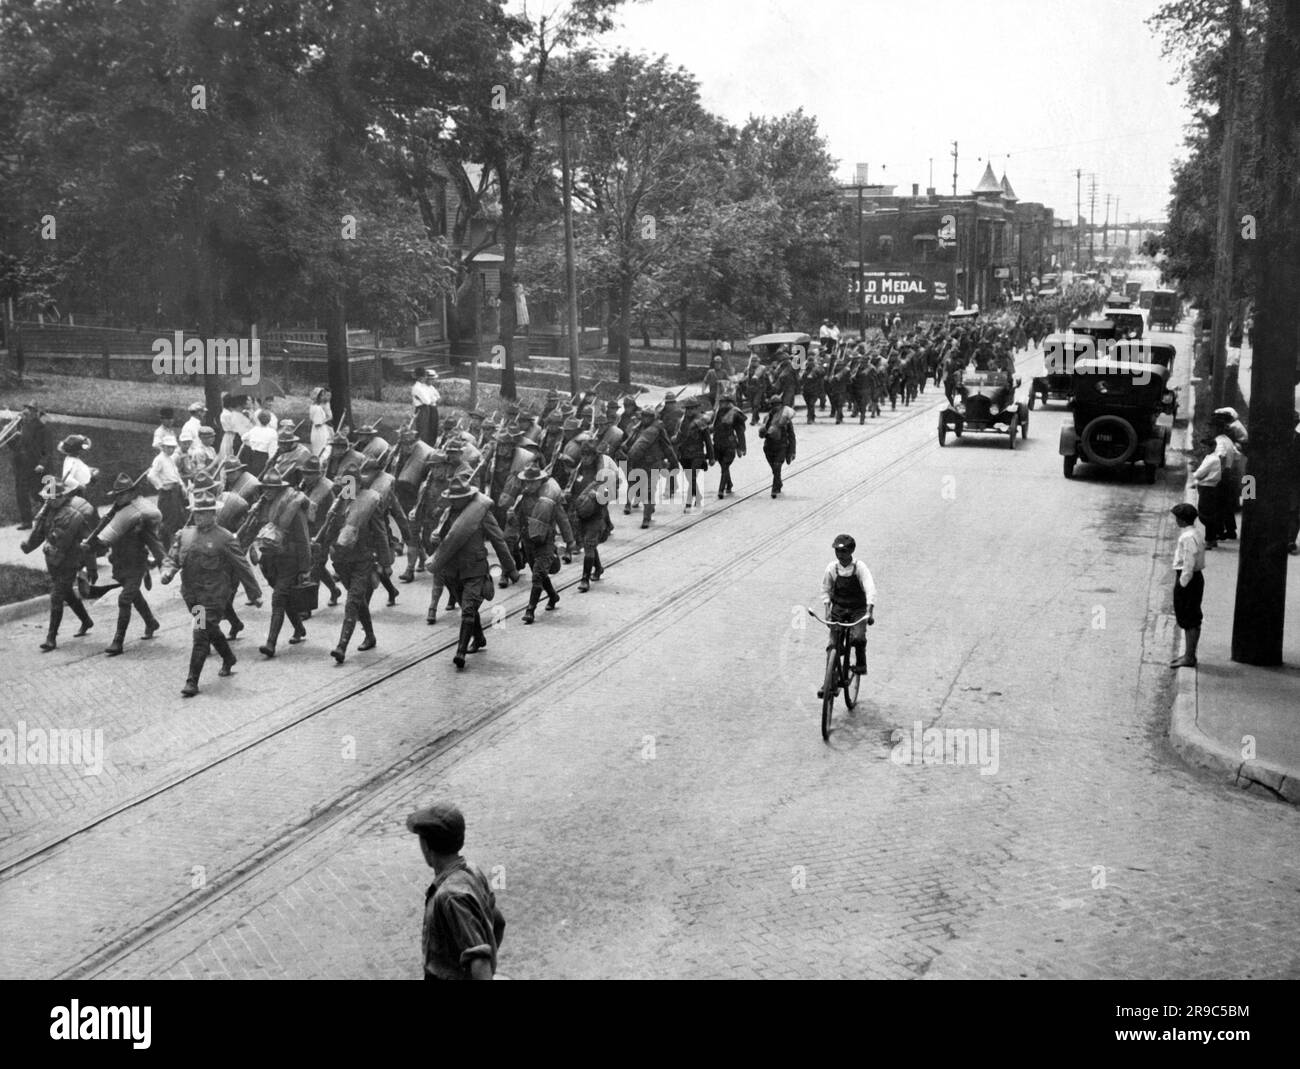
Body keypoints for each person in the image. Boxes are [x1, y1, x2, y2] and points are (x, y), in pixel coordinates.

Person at [160, 489, 262, 696]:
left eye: (204, 513)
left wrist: (254, 593)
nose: (199, 517)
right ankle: (228, 657)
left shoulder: (224, 538)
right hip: (192, 595)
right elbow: (173, 557)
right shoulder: (185, 534)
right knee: (210, 629)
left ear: (214, 515)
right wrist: (168, 571)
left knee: (200, 635)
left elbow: (242, 565)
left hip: (214, 596)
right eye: (197, 513)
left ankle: (192, 681)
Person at [405, 802, 506, 980]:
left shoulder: (450, 896)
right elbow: (498, 922)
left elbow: (479, 961)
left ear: (427, 847)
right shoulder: (472, 871)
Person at [428, 474, 519, 670]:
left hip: (474, 569)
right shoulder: (447, 513)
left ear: (468, 497)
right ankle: (478, 638)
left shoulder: (481, 514)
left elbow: (498, 540)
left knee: (468, 609)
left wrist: (510, 568)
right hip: (452, 571)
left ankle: (460, 652)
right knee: (467, 607)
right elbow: (438, 538)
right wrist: (434, 539)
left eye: (459, 498)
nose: (455, 501)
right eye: (453, 498)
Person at [83, 472, 165, 657]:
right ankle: (151, 622)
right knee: (134, 595)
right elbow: (105, 538)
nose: (120, 498)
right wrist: (90, 545)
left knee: (124, 598)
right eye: (118, 495)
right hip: (120, 563)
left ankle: (118, 641)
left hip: (136, 563)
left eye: (124, 494)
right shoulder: (116, 514)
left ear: (132, 494)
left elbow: (154, 540)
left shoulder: (140, 515)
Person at [320, 464, 393, 664]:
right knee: (358, 600)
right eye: (346, 483)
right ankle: (370, 636)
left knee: (352, 601)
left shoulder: (370, 501)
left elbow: (380, 532)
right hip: (341, 561)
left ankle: (341, 646)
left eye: (352, 482)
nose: (348, 486)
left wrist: (386, 562)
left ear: (360, 483)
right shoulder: (339, 502)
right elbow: (328, 530)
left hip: (362, 559)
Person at [20, 479, 96, 651]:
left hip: (70, 562)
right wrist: (28, 546)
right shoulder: (48, 513)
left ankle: (51, 638)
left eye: (54, 498)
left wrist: (91, 567)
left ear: (63, 497)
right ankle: (86, 620)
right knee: (67, 594)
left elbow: (89, 541)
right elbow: (39, 534)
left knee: (56, 597)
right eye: (48, 499)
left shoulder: (76, 516)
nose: (50, 501)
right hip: (53, 561)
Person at [253, 470, 312, 658]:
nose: (267, 491)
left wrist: (305, 569)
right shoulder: (263, 506)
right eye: (265, 488)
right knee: (283, 598)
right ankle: (299, 628)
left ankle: (271, 643)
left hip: (289, 559)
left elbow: (303, 540)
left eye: (271, 488)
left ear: (279, 489)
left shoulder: (292, 508)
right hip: (270, 561)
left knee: (278, 598)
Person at [512, 463, 575, 624]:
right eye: (527, 482)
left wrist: (569, 541)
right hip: (528, 542)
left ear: (540, 482)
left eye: (533, 482)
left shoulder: (549, 499)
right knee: (538, 572)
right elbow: (516, 522)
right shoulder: (522, 498)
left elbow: (562, 519)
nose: (529, 485)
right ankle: (553, 596)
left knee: (538, 575)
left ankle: (530, 610)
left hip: (545, 542)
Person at [816, 534, 876, 693]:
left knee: (858, 637)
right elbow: (825, 590)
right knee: (832, 646)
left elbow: (870, 587)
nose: (839, 554)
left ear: (851, 551)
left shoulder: (859, 567)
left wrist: (869, 610)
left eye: (843, 551)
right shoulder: (832, 568)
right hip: (839, 609)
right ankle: (829, 681)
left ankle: (861, 665)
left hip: (857, 609)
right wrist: (827, 611)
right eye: (837, 551)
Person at [1169, 503, 1206, 669]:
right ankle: (1188, 654)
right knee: (1189, 617)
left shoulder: (1187, 537)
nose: (1176, 520)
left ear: (1182, 520)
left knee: (1189, 617)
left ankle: (1190, 656)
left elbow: (1188, 563)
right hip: (1193, 578)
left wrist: (1182, 584)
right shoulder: (1194, 533)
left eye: (1177, 518)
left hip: (1189, 579)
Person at [7, 402, 51, 529]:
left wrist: (42, 464)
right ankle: (26, 521)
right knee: (21, 493)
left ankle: (52, 514)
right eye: (25, 408)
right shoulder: (21, 425)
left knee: (37, 493)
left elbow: (48, 449)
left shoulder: (42, 428)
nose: (26, 411)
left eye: (31, 410)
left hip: (34, 465)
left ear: (36, 413)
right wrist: (10, 436)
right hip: (20, 464)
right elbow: (16, 446)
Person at [149, 434, 185, 547]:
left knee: (176, 519)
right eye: (168, 447)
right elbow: (151, 475)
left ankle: (172, 544)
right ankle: (164, 545)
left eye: (173, 447)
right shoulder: (159, 459)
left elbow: (176, 475)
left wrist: (182, 485)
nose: (171, 449)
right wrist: (161, 486)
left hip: (175, 490)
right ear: (163, 447)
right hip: (167, 493)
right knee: (167, 520)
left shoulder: (170, 459)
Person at [758, 393, 795, 498]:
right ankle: (778, 482)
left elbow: (791, 436)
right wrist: (762, 431)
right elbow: (761, 434)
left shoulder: (785, 419)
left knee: (777, 466)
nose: (776, 407)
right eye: (773, 405)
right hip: (768, 447)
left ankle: (774, 489)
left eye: (778, 405)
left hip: (781, 446)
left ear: (781, 405)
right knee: (774, 469)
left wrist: (792, 451)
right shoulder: (767, 418)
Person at [1189, 436, 1223, 550]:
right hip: (1206, 487)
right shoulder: (1210, 457)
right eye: (1202, 447)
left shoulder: (1212, 459)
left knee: (1205, 515)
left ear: (1212, 447)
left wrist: (1195, 475)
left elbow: (1199, 473)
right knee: (1207, 514)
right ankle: (1211, 538)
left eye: (1205, 447)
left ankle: (1210, 539)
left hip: (1208, 488)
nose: (1203, 450)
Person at [710, 395, 746, 499]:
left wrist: (741, 448)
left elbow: (740, 432)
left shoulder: (735, 413)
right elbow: (712, 426)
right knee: (723, 466)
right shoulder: (717, 413)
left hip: (729, 444)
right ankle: (729, 484)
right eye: (721, 402)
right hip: (717, 444)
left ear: (730, 402)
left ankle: (721, 490)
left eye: (725, 402)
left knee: (725, 466)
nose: (723, 404)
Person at [242, 409, 278, 477]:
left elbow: (243, 438)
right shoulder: (272, 432)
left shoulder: (254, 429)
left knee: (252, 477)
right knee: (261, 478)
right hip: (264, 459)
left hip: (252, 457)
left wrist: (252, 444)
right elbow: (272, 452)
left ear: (258, 419)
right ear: (269, 420)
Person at [219, 394, 253, 462]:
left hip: (232, 436)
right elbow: (240, 429)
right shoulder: (229, 414)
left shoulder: (232, 413)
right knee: (229, 455)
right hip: (232, 437)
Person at [413, 367, 441, 445]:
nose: (426, 379)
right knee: (423, 429)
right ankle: (423, 445)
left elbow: (437, 397)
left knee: (431, 427)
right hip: (422, 409)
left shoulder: (425, 387)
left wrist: (432, 399)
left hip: (427, 408)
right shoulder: (418, 388)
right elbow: (427, 401)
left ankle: (430, 444)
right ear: (421, 377)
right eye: (425, 377)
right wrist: (432, 399)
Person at [308, 387, 333, 459]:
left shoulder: (313, 406)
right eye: (321, 395)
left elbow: (329, 416)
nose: (323, 397)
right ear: (317, 397)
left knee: (321, 447)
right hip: (319, 430)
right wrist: (322, 422)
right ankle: (319, 460)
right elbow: (318, 423)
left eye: (323, 395)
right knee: (320, 447)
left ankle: (318, 460)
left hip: (317, 430)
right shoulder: (317, 408)